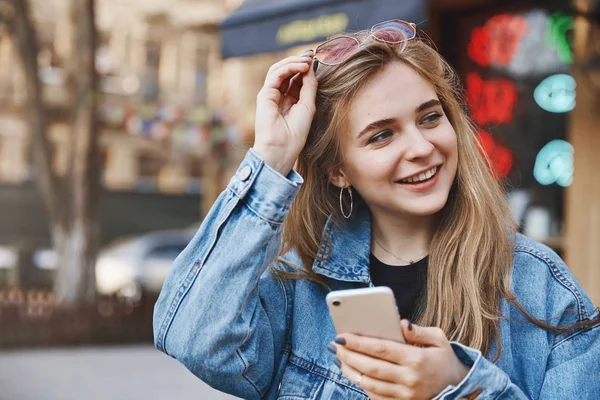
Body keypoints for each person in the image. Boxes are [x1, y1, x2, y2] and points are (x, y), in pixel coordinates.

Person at [153, 20, 600, 399]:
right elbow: (193, 338)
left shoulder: (537, 284)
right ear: (338, 171)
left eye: (429, 117)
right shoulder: (297, 289)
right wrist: (272, 158)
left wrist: (462, 385)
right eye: (382, 135)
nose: (422, 148)